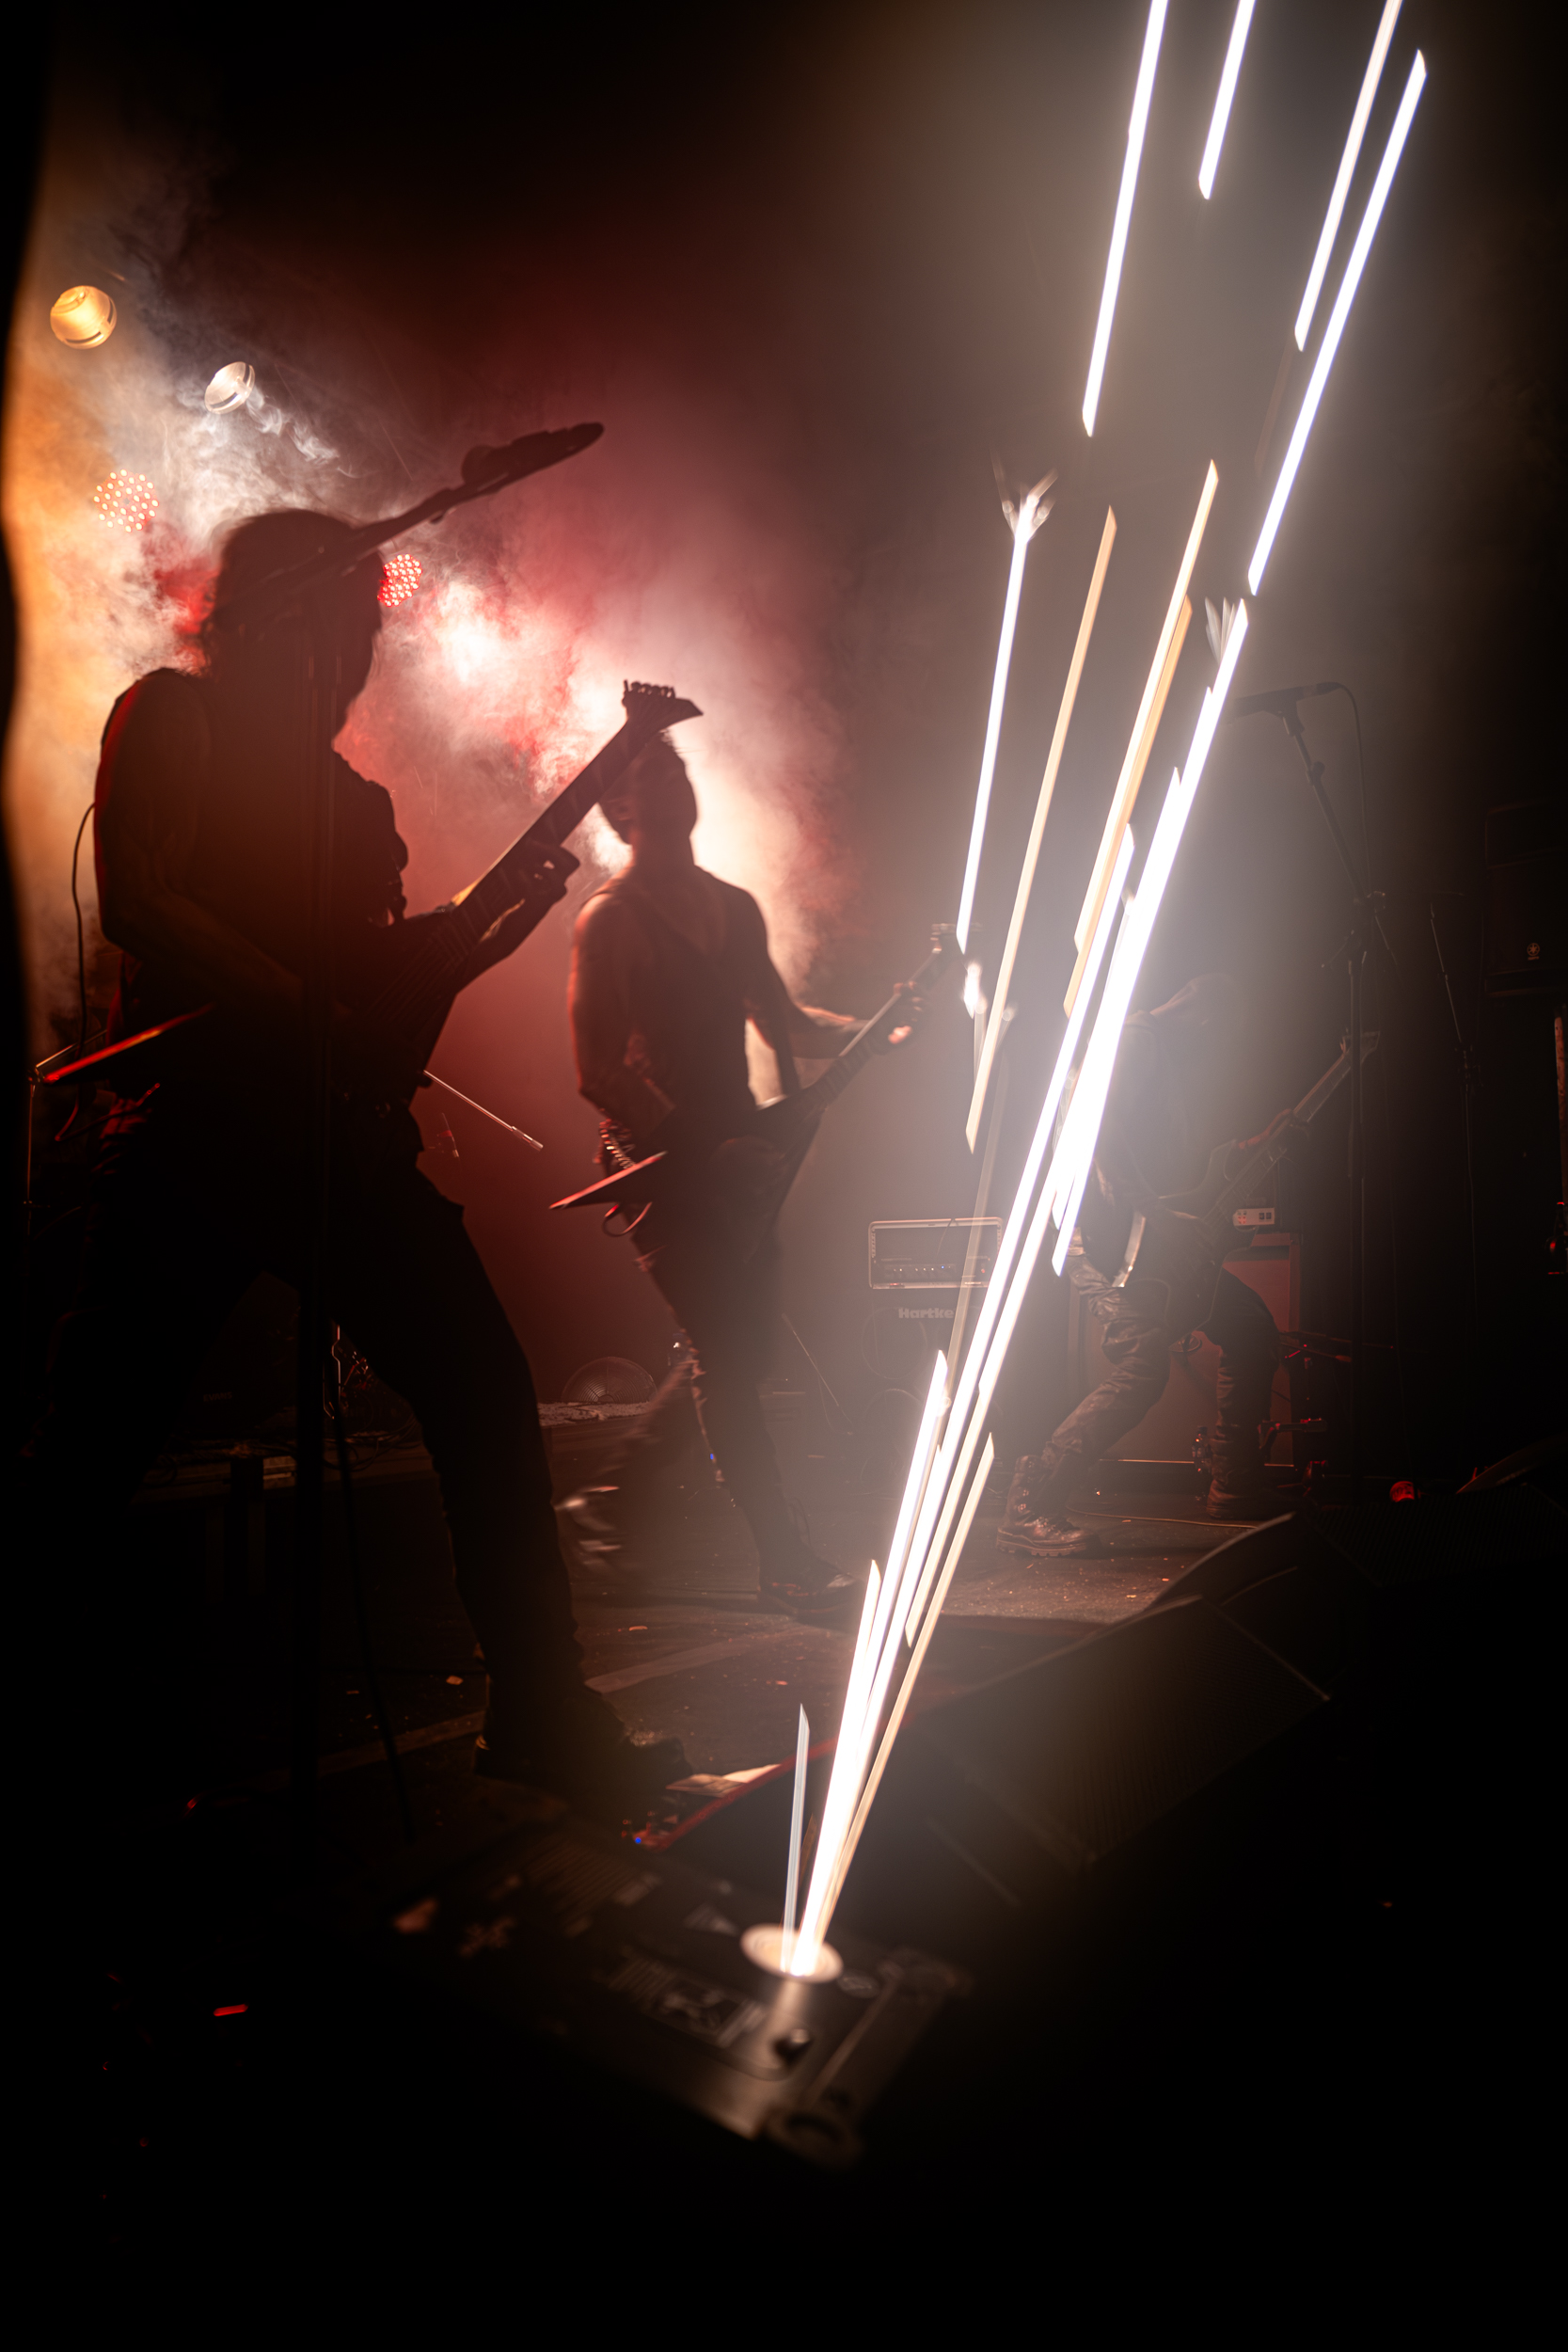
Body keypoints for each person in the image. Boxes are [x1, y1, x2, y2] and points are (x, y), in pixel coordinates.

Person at [22, 507, 679, 1816]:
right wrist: (295, 1002)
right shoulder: (173, 715)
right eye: (343, 625)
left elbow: (386, 995)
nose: (360, 656)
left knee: (483, 1391)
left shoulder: (356, 802)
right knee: (93, 1441)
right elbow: (146, 900)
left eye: (368, 632)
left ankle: (540, 1709)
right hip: (198, 1132)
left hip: (336, 1139)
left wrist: (488, 932)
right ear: (277, 617)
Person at [563, 737, 915, 1619]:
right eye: (651, 775)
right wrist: (700, 1148)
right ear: (619, 809)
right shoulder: (610, 921)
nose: (675, 783)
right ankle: (783, 1559)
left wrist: (871, 1028)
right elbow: (597, 1070)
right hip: (659, 1167)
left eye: (678, 768)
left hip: (739, 1158)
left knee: (735, 1352)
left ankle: (607, 1502)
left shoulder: (732, 906)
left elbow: (782, 1019)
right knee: (727, 1356)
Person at [1000, 974, 1294, 1558]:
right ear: (1205, 1015)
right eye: (1223, 1032)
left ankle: (1235, 1484)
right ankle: (1030, 1505)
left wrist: (1251, 1146)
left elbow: (1181, 1170)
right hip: (1103, 1241)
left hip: (1140, 1238)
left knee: (1249, 1326)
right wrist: (1157, 1215)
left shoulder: (1149, 1049)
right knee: (1143, 1364)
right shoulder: (1137, 1039)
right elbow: (1096, 1132)